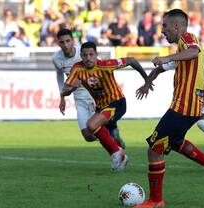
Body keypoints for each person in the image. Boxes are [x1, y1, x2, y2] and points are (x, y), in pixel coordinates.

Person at [134, 9, 204, 208]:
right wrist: (199, 105)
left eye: (164, 26)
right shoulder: (195, 54)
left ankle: (156, 200)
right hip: (189, 109)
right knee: (176, 143)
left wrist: (167, 58)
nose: (162, 31)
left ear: (176, 26)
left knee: (154, 150)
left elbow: (193, 52)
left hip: (182, 107)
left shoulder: (188, 38)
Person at [60, 41, 149, 170]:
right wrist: (72, 88)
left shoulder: (106, 65)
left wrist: (146, 79)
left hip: (117, 103)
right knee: (101, 134)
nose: (88, 58)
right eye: (85, 55)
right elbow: (66, 89)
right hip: (101, 107)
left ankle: (117, 154)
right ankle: (115, 139)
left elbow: (131, 60)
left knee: (91, 125)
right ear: (81, 56)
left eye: (91, 54)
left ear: (96, 55)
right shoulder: (77, 68)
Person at [54, 29, 125, 148]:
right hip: (79, 99)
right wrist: (62, 96)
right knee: (88, 136)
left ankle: (116, 153)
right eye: (62, 42)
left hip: (94, 97)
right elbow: (59, 75)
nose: (66, 45)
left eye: (68, 41)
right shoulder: (56, 58)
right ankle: (113, 134)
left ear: (73, 41)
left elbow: (102, 68)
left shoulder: (84, 53)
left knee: (95, 126)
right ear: (58, 43)